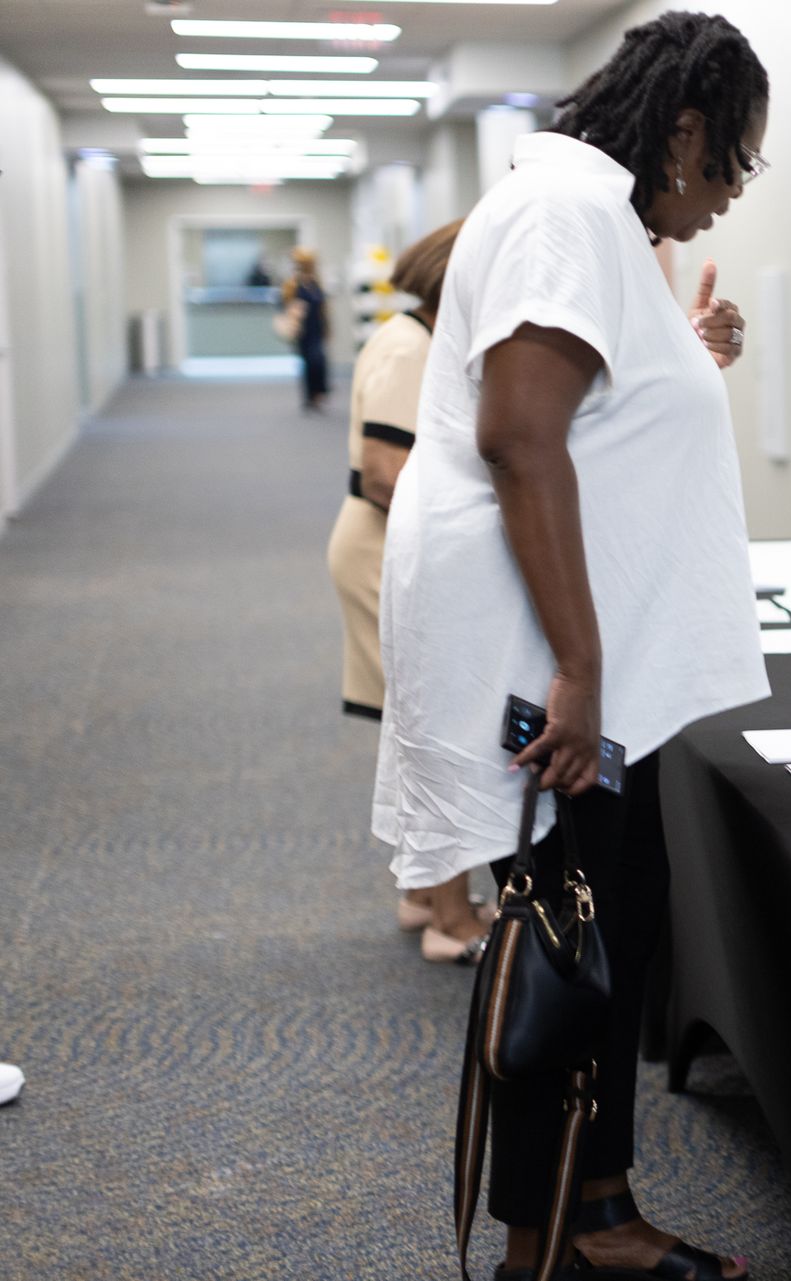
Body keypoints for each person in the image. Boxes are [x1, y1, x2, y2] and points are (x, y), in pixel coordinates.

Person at [372, 12, 770, 1279]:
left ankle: (600, 1213)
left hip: (565, 643)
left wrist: (681, 364)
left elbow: (591, 412)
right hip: (540, 654)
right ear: (687, 126)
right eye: (732, 165)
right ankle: (544, 1244)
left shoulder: (596, 216)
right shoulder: (566, 215)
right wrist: (583, 671)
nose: (726, 197)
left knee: (616, 921)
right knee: (570, 938)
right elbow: (521, 437)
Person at [324, 219, 489, 965]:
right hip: (385, 551)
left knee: (418, 722)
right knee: (434, 730)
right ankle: (450, 917)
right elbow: (389, 469)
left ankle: (426, 890)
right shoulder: (408, 346)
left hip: (396, 551)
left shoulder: (425, 340)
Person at [283, 247, 329, 411]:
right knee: (308, 362)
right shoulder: (293, 285)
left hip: (316, 327)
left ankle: (319, 393)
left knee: (319, 360)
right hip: (303, 330)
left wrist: (327, 327)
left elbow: (323, 307)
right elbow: (286, 306)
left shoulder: (316, 283)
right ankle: (309, 396)